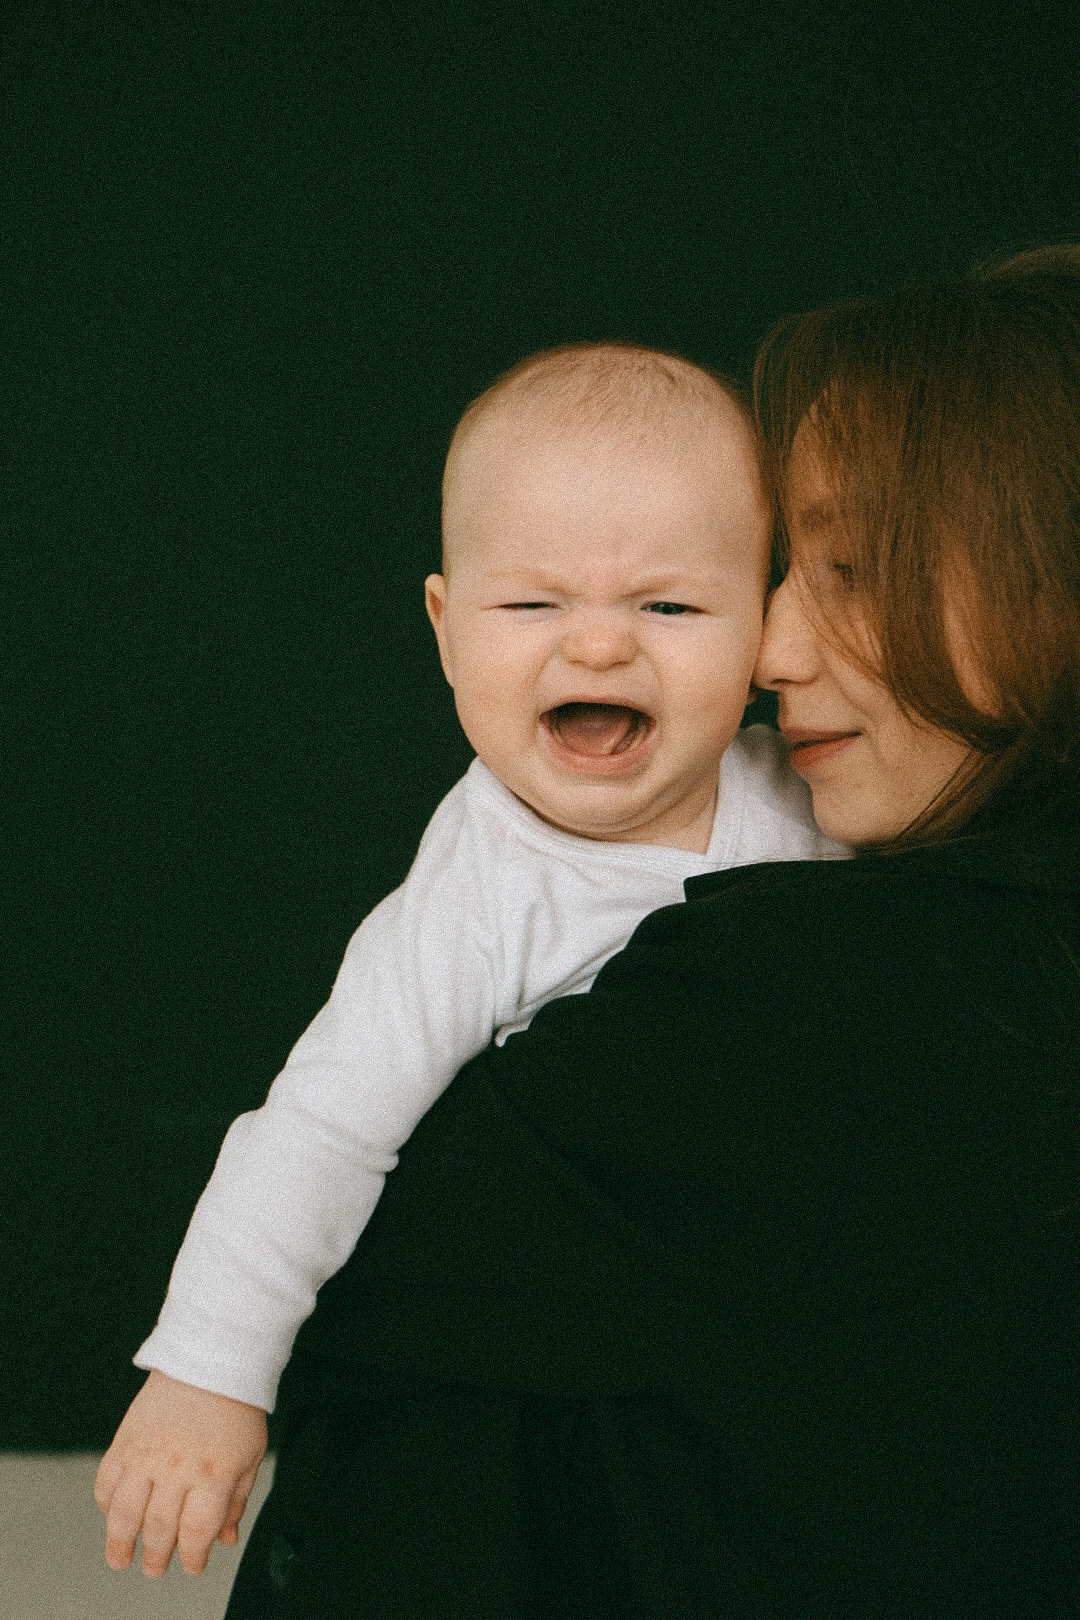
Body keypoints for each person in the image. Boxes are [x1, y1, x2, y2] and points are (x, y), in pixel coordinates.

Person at [217, 248, 1080, 1617]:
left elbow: (367, 1311)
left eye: (852, 568)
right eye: (791, 569)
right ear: (444, 625)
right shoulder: (499, 892)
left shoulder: (833, 986)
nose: (774, 652)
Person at [94, 343, 841, 1579]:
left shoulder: (805, 804)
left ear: (764, 622)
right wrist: (209, 1377)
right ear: (446, 630)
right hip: (544, 1365)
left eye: (669, 606)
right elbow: (319, 1131)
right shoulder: (475, 896)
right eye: (533, 605)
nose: (598, 649)